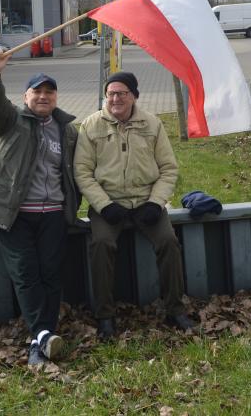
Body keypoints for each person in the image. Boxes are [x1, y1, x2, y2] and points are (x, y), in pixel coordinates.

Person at [0, 49, 80, 366]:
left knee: (50, 275)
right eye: (38, 91)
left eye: (49, 92)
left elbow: (77, 171)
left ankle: (41, 339)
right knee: (25, 274)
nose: (44, 96)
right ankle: (42, 337)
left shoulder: (68, 131)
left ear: (56, 97)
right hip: (15, 214)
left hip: (54, 215)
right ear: (27, 96)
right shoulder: (13, 122)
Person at [74, 71, 193, 339]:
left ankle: (175, 309)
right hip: (108, 203)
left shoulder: (152, 124)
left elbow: (168, 169)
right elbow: (82, 172)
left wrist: (155, 202)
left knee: (169, 243)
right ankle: (105, 316)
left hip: (145, 201)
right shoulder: (91, 126)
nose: (115, 98)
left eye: (122, 93)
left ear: (134, 96)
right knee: (101, 245)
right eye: (111, 94)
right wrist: (104, 206)